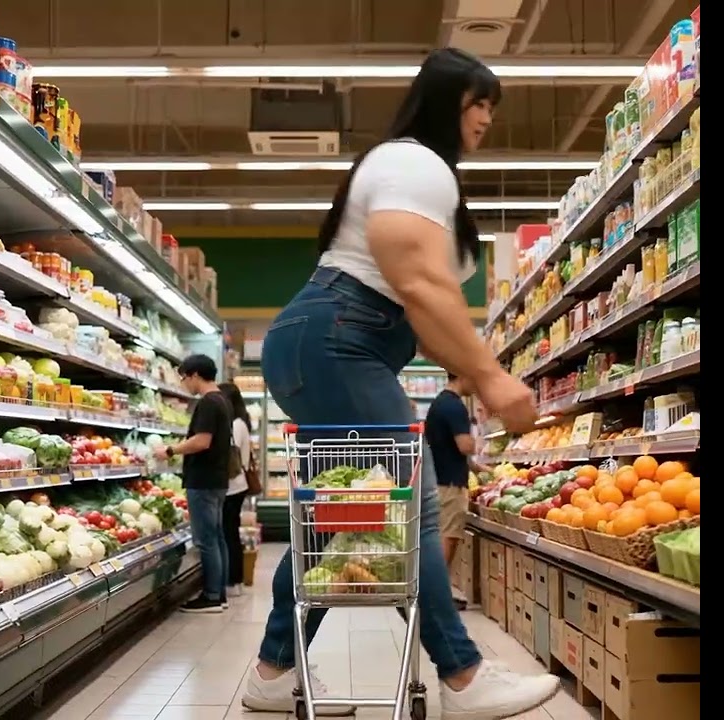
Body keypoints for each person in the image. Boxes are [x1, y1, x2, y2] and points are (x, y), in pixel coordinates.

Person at [241, 48, 557, 720]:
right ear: (445, 101)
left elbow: (423, 315)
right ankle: (464, 676)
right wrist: (490, 376)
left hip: (326, 340)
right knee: (411, 506)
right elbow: (417, 281)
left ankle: (274, 669)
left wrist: (475, 370)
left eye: (492, 107)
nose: (486, 119)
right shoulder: (415, 163)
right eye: (478, 103)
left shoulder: (418, 175)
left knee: (335, 517)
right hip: (341, 339)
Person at [155, 354, 231, 614]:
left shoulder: (208, 402)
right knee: (217, 538)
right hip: (217, 479)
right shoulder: (222, 399)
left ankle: (211, 596)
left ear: (195, 375)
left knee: (206, 539)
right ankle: (219, 593)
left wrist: (170, 450)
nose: (183, 383)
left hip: (203, 480)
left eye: (184, 377)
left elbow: (202, 441)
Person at [425, 373, 492, 610]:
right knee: (448, 538)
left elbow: (452, 450)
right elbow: (464, 446)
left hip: (440, 479)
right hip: (449, 485)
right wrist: (479, 438)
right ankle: (436, 599)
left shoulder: (440, 403)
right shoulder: (455, 407)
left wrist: (481, 469)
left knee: (443, 536)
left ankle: (438, 594)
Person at [219, 382, 253, 596]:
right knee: (231, 532)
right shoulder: (241, 422)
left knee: (229, 533)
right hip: (238, 485)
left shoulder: (236, 424)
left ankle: (233, 580)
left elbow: (229, 452)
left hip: (233, 486)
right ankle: (234, 579)